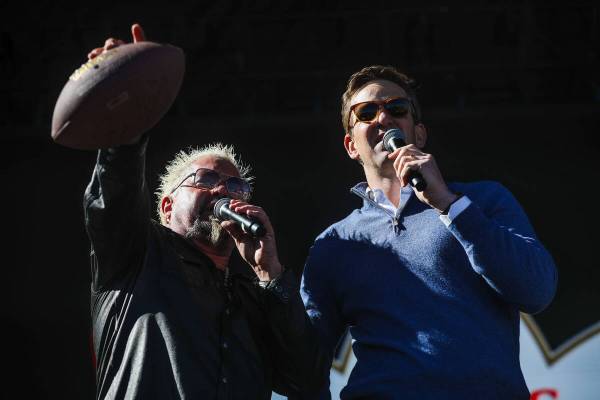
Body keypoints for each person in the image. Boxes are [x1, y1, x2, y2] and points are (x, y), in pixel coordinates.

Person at [84, 24, 325, 399]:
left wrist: (270, 274)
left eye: (234, 186)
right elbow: (113, 195)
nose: (221, 190)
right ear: (166, 206)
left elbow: (308, 385)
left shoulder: (253, 298)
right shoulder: (137, 258)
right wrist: (128, 116)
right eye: (205, 178)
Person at [300, 65, 558, 399]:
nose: (383, 119)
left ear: (419, 134)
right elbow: (303, 367)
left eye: (397, 109)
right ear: (351, 145)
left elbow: (536, 290)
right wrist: (269, 275)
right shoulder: (335, 243)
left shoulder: (483, 199)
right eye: (366, 112)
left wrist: (451, 206)